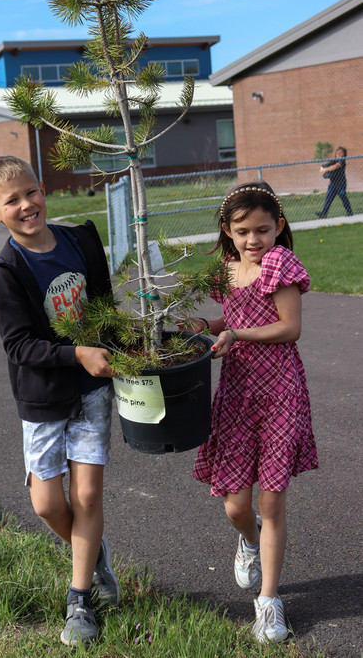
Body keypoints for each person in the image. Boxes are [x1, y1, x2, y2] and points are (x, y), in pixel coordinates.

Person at [0, 155, 119, 647]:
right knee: (45, 503)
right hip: (43, 399)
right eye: (11, 200)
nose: (26, 204)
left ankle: (80, 599)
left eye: (30, 192)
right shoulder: (6, 270)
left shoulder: (81, 240)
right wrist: (76, 352)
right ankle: (94, 554)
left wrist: (125, 346)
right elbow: (19, 346)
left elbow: (104, 309)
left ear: (43, 191)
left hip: (92, 392)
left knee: (85, 497)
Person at [182, 181, 318, 644]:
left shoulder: (280, 263)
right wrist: (207, 325)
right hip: (238, 393)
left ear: (278, 226)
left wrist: (236, 336)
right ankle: (249, 539)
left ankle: (269, 602)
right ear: (228, 231)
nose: (253, 240)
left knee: (272, 499)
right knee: (236, 504)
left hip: (279, 390)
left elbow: (288, 327)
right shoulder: (225, 269)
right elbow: (233, 316)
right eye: (243, 231)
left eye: (263, 229)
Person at [316, 146, 353, 218]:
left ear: (344, 154)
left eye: (341, 152)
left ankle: (349, 211)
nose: (338, 153)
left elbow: (336, 166)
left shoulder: (342, 161)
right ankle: (324, 213)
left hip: (341, 184)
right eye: (337, 152)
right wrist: (322, 168)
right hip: (332, 184)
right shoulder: (334, 161)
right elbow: (327, 165)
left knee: (343, 197)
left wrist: (325, 170)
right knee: (328, 198)